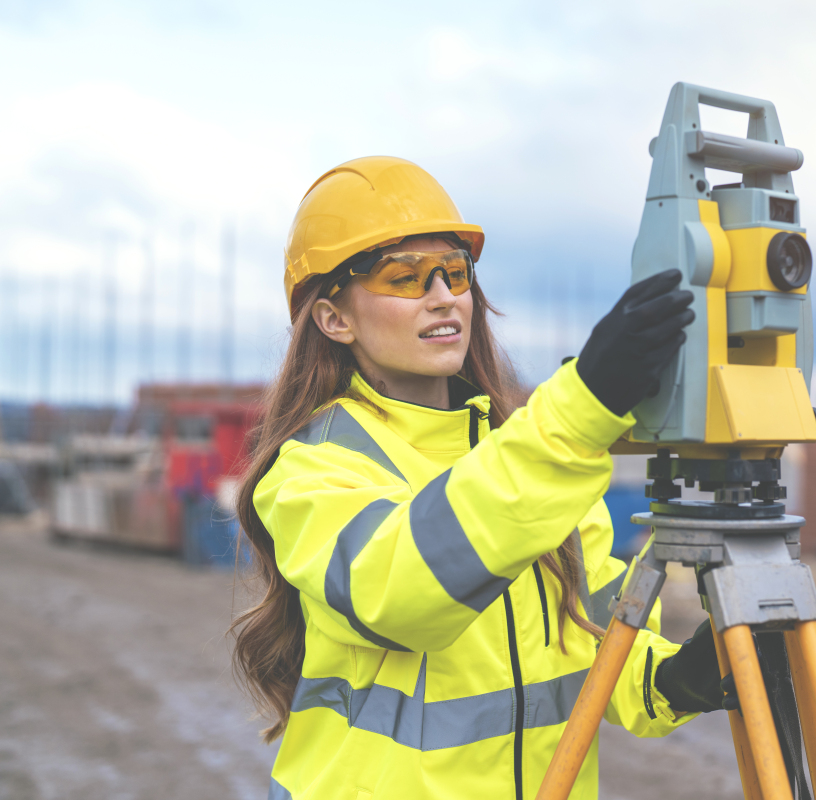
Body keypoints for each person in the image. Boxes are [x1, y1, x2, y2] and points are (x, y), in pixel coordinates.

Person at [233, 156, 731, 800]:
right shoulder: (314, 468)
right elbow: (403, 590)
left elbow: (600, 643)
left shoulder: (532, 455)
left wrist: (675, 679)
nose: (443, 295)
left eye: (454, 272)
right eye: (404, 277)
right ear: (335, 318)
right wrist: (579, 411)